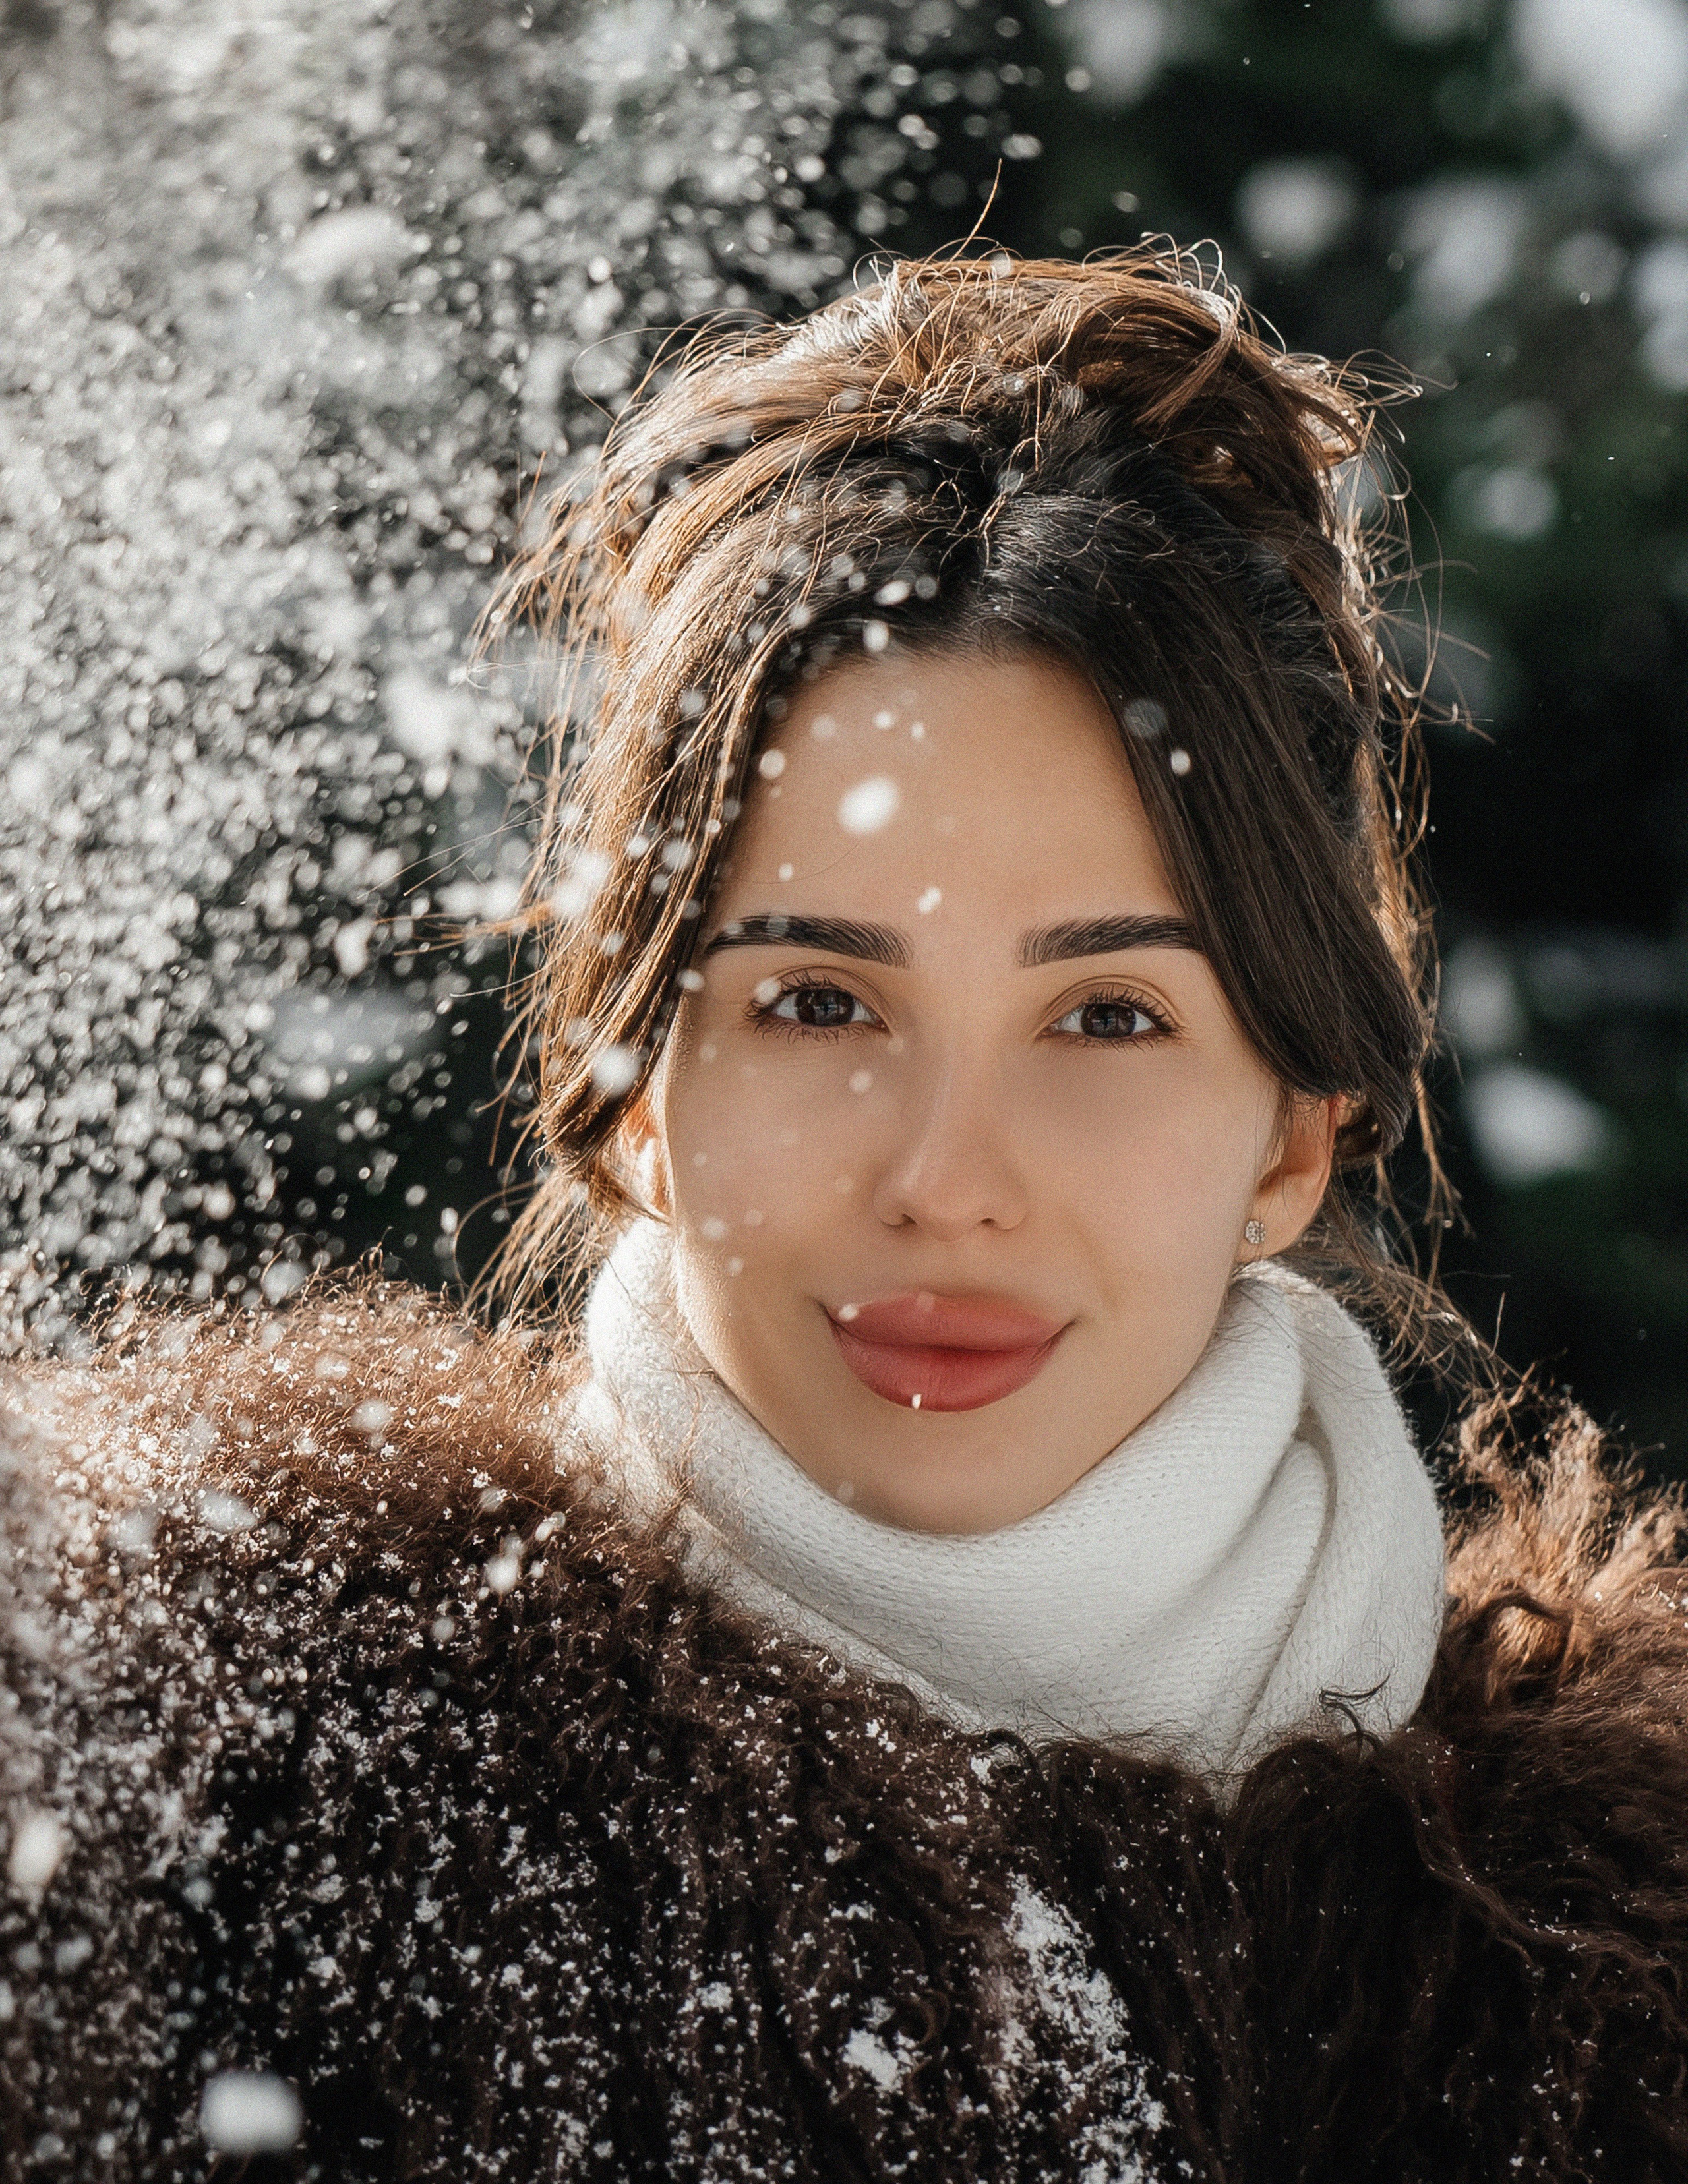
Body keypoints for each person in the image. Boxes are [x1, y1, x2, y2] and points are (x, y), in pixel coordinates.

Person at [5, 249, 1688, 2183]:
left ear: (1297, 1132)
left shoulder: (1614, 1994)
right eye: (818, 1000)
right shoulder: (187, 1811)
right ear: (633, 1083)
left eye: (1108, 1013)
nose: (946, 1176)